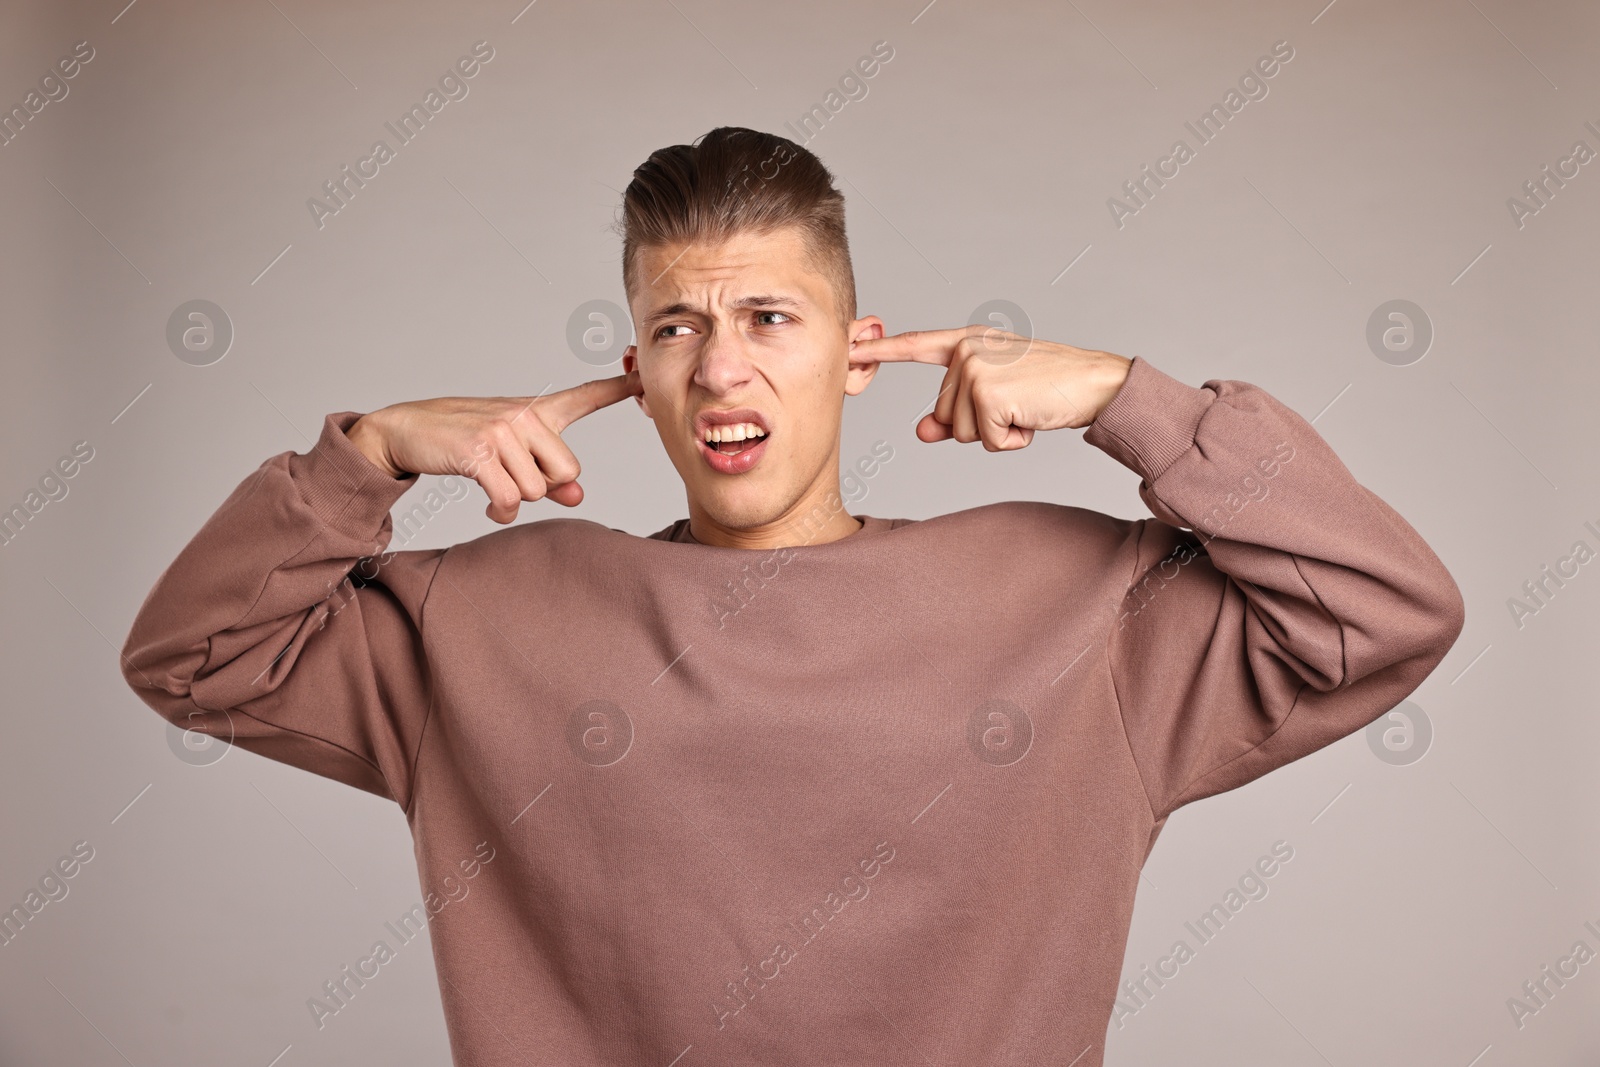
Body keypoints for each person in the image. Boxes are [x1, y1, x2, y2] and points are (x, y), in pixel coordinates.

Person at [119, 126, 1465, 1066]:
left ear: (857, 353)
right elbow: (196, 654)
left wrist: (1134, 401)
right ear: (637, 369)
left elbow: (1385, 614)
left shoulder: (1075, 608)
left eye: (770, 318)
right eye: (677, 328)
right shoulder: (482, 622)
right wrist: (370, 451)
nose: (720, 373)